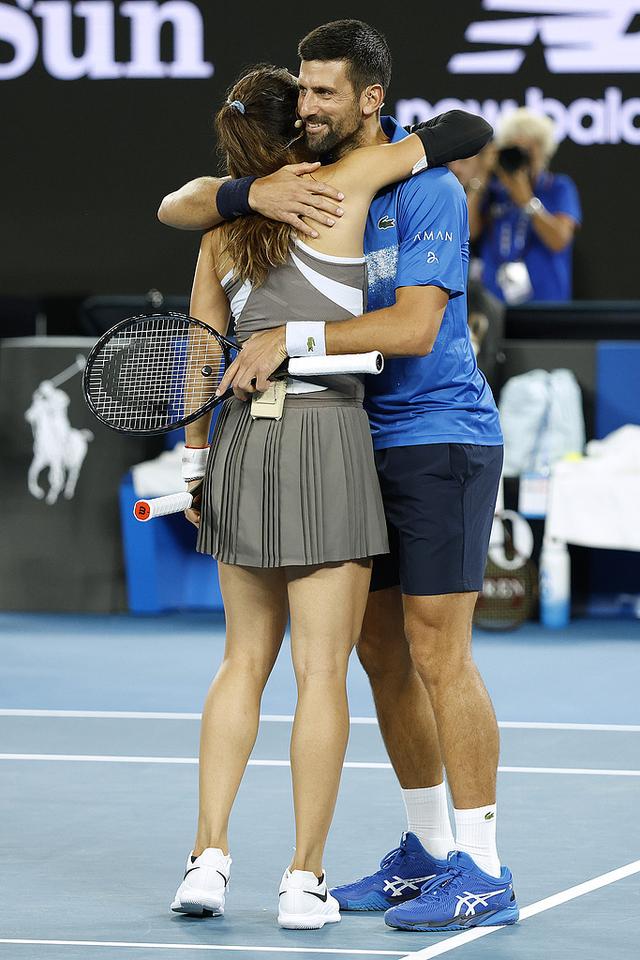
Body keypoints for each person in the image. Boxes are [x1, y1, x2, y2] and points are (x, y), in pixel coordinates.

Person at [161, 20, 516, 935]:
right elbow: (184, 202)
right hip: (355, 440)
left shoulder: (421, 187)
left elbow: (414, 329)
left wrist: (288, 340)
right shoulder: (299, 191)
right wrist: (250, 190)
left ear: (369, 98)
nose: (312, 105)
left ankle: (482, 864)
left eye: (326, 91)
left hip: (435, 433)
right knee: (376, 654)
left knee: (436, 651)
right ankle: (426, 848)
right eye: (303, 92)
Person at [466, 110, 582, 304]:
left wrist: (528, 202)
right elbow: (467, 232)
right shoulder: (493, 191)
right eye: (514, 149)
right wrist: (482, 176)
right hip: (494, 304)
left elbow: (560, 240)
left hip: (547, 304)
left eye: (528, 150)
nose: (522, 159)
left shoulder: (557, 187)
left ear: (542, 152)